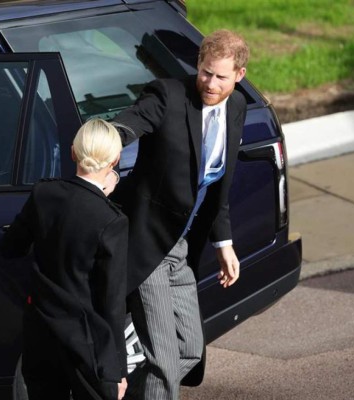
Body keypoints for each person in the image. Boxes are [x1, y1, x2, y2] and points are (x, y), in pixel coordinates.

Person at [110, 29, 249, 399]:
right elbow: (132, 121)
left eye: (221, 76)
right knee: (164, 363)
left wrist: (224, 242)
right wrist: (105, 140)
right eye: (205, 72)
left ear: (240, 75)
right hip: (146, 245)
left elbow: (218, 184)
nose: (210, 83)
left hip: (180, 249)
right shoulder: (168, 96)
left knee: (189, 350)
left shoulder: (236, 107)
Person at [0, 119, 128, 400]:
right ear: (115, 160)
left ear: (72, 152)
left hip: (40, 328)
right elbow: (112, 302)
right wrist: (116, 369)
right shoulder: (111, 220)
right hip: (85, 340)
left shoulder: (44, 194)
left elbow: (11, 248)